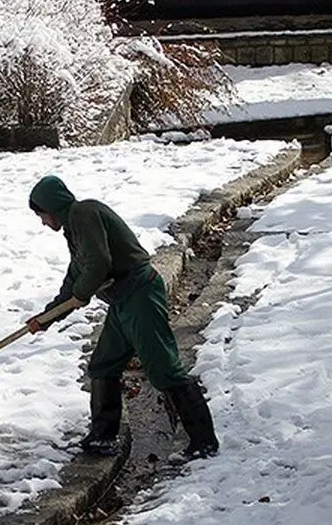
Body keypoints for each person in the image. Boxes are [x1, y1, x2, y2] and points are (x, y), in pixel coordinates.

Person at [25, 175, 219, 460]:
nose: (42, 222)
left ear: (52, 207)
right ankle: (102, 438)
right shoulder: (75, 228)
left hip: (140, 294)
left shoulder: (84, 213)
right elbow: (77, 276)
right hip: (121, 301)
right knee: (103, 365)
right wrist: (45, 318)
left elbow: (98, 263)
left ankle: (204, 442)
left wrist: (82, 293)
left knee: (163, 367)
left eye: (41, 214)